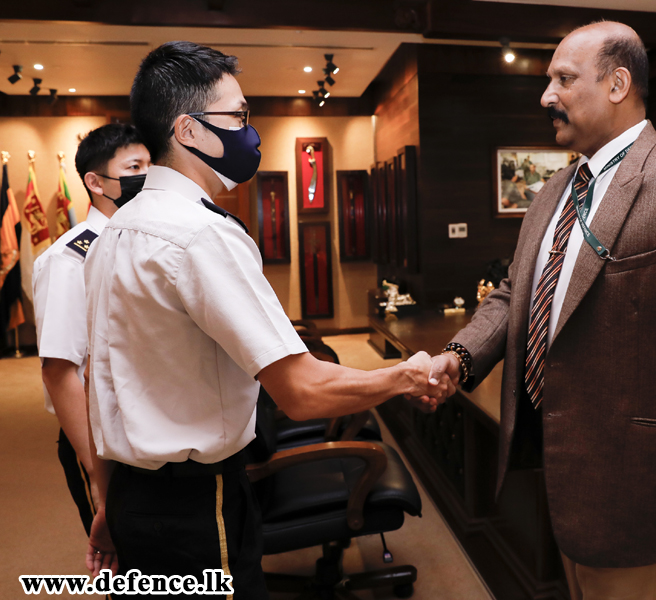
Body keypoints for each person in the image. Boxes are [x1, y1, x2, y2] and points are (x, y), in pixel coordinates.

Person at [83, 41, 451, 596]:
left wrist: (109, 502)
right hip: (196, 505)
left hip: (137, 497)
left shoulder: (115, 232)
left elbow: (104, 385)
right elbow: (301, 390)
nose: (248, 132)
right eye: (238, 116)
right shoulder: (201, 235)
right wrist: (405, 376)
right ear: (188, 130)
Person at [425, 21, 656, 600]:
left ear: (617, 83)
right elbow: (516, 294)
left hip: (639, 485)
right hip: (560, 477)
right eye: (547, 81)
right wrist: (460, 357)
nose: (546, 96)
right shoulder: (551, 192)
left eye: (563, 79)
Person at [32, 124, 151, 539]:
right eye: (134, 167)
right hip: (99, 442)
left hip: (145, 433)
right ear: (95, 182)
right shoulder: (69, 259)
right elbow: (59, 370)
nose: (146, 178)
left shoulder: (141, 241)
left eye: (151, 166)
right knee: (119, 559)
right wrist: (97, 473)